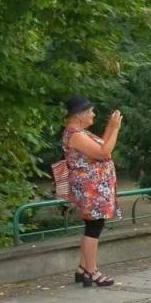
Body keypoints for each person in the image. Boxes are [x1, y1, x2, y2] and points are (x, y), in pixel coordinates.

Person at [62, 95, 122, 286]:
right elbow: (104, 152)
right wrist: (116, 129)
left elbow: (102, 146)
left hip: (94, 188)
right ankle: (92, 271)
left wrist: (111, 128)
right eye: (91, 112)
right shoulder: (76, 135)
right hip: (90, 189)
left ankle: (82, 268)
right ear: (79, 115)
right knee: (94, 228)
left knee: (93, 227)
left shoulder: (80, 132)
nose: (94, 115)